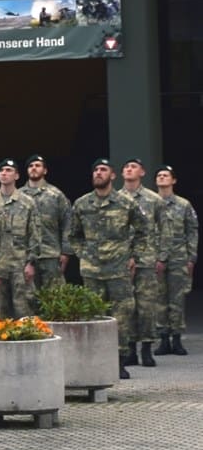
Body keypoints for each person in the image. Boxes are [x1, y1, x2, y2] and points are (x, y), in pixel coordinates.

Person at [67, 159, 145, 376]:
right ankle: (96, 362)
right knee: (93, 315)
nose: (98, 173)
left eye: (103, 170)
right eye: (95, 170)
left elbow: (143, 231)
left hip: (119, 268)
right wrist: (84, 254)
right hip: (92, 270)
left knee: (121, 315)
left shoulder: (126, 203)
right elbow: (73, 235)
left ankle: (119, 360)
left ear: (112, 176)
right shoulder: (82, 204)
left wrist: (134, 256)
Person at [120, 158, 161, 366]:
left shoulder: (153, 200)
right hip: (121, 261)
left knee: (146, 306)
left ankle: (146, 348)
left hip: (146, 260)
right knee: (127, 306)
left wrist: (161, 257)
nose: (129, 169)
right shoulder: (115, 198)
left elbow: (163, 230)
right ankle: (129, 349)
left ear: (142, 172)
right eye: (126, 167)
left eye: (133, 167)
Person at [154, 165, 197, 355]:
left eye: (166, 175)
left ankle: (177, 339)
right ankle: (163, 339)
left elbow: (192, 231)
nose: (162, 177)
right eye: (159, 175)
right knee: (159, 298)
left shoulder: (183, 204)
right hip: (156, 257)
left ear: (173, 180)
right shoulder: (150, 202)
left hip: (179, 256)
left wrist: (191, 257)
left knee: (177, 298)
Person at [0, 158, 39, 319]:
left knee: (24, 310)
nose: (4, 173)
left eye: (9, 170)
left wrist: (31, 263)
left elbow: (34, 234)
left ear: (17, 176)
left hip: (20, 264)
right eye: (1, 170)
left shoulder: (27, 203)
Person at [24, 155, 70, 299]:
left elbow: (68, 223)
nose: (34, 168)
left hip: (51, 255)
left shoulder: (56, 195)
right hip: (25, 257)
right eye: (31, 166)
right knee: (28, 300)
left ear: (45, 170)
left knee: (55, 299)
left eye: (37, 165)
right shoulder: (19, 196)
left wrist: (66, 252)